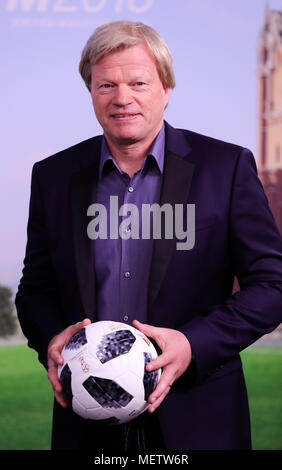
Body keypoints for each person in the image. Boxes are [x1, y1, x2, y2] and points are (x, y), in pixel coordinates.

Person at [16, 20, 282, 451]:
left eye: (138, 82)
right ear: (91, 92)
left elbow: (273, 286)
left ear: (165, 88)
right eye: (107, 86)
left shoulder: (226, 168)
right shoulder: (53, 177)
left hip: (198, 418)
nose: (123, 99)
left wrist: (193, 343)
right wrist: (50, 337)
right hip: (86, 421)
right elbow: (35, 289)